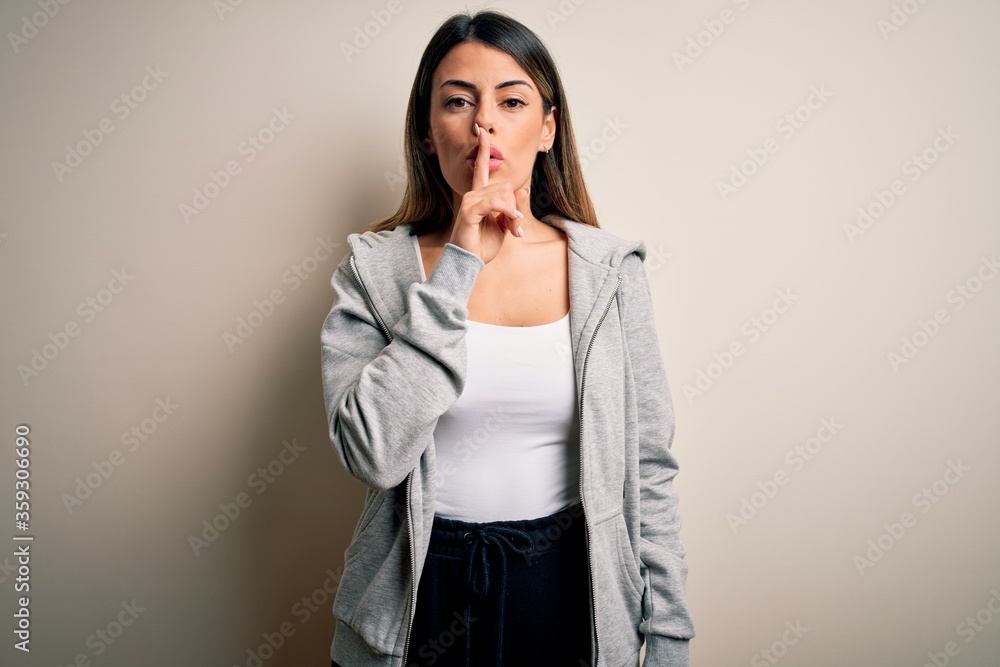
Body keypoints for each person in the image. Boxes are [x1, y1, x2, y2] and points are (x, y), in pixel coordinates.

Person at [321, 10, 695, 667]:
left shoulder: (609, 273)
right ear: (428, 130)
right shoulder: (374, 271)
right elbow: (372, 453)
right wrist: (458, 267)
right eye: (458, 101)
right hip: (418, 599)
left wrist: (667, 639)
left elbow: (649, 467)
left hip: (567, 590)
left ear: (548, 128)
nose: (484, 124)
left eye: (512, 101)